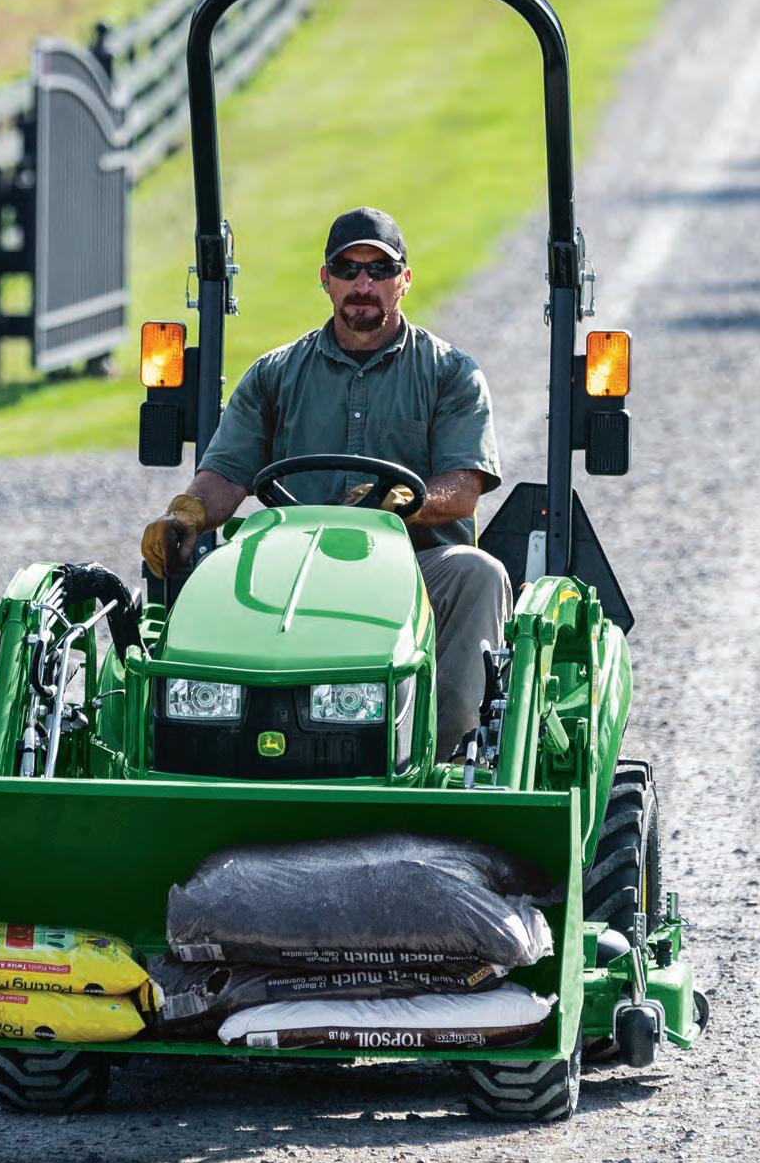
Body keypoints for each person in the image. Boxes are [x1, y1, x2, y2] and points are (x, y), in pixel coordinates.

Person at [140, 206, 513, 755]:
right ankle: (199, 745)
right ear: (326, 279)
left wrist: (400, 502)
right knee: (211, 568)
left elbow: (463, 488)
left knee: (479, 572)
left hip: (415, 568)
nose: (363, 284)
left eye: (379, 270)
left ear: (404, 280)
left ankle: (449, 759)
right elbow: (224, 473)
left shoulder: (449, 373)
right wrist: (186, 515)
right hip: (291, 568)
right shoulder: (273, 375)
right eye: (348, 268)